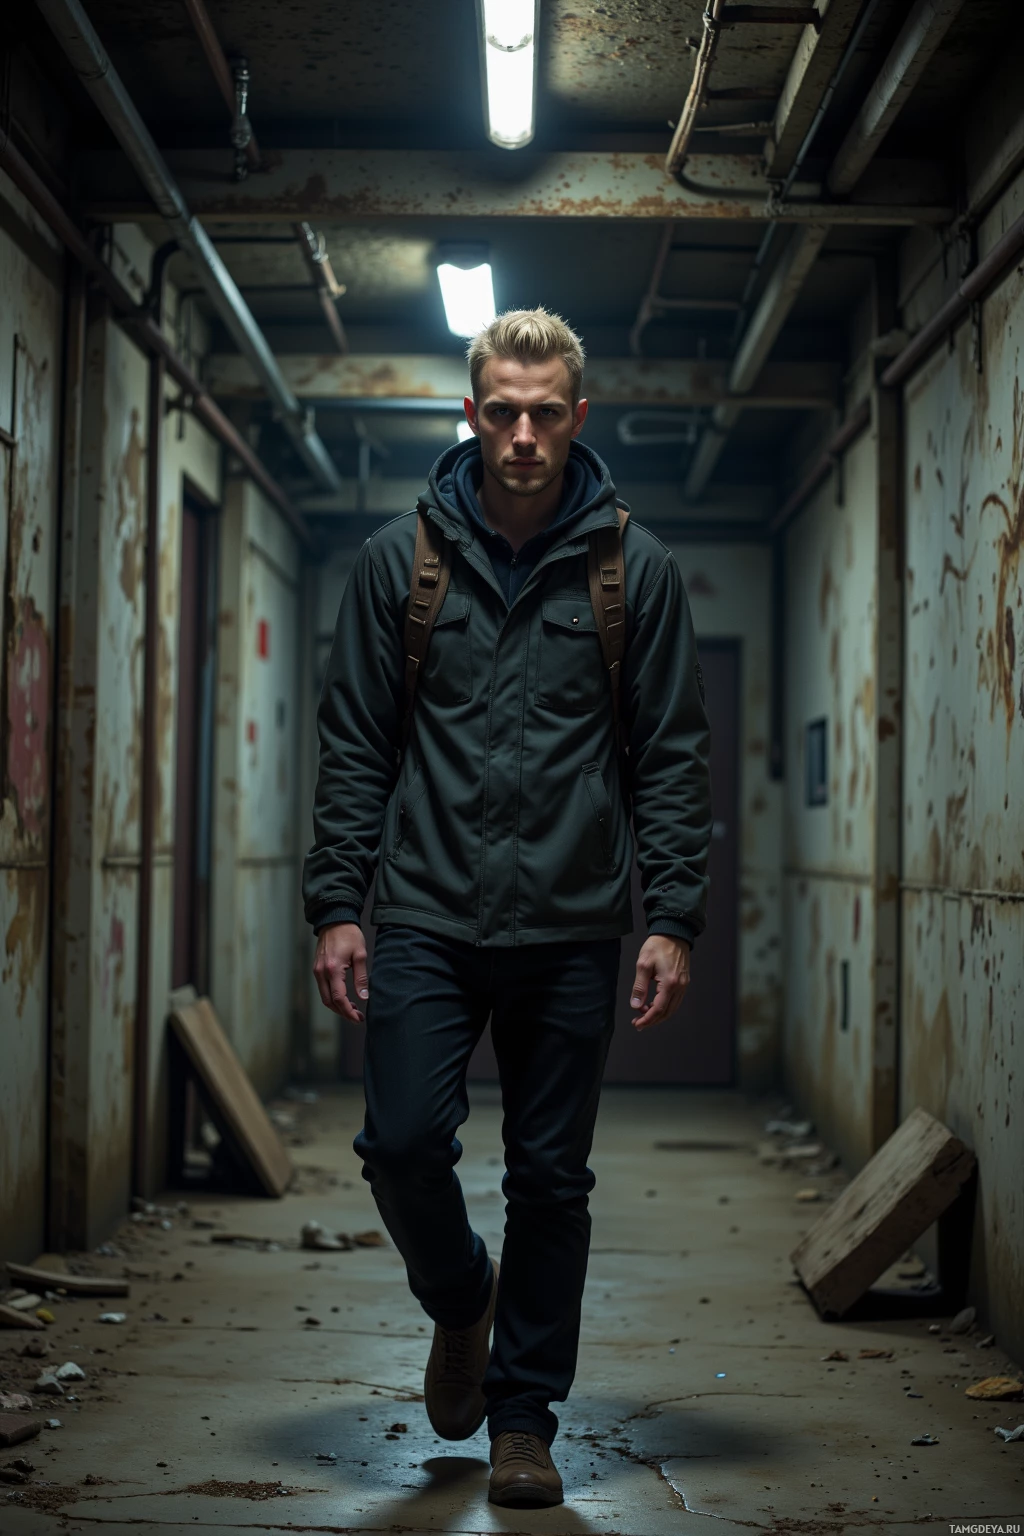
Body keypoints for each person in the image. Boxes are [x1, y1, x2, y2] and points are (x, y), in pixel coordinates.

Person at [302, 307, 712, 1508]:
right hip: (426, 909)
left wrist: (670, 916)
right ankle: (459, 1298)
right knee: (403, 1146)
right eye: (502, 411)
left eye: (545, 413)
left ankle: (523, 1421)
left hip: (574, 923)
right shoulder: (400, 563)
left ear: (577, 418)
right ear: (468, 412)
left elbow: (672, 758)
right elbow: (355, 747)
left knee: (551, 1180)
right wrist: (340, 902)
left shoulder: (636, 572)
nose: (523, 434)